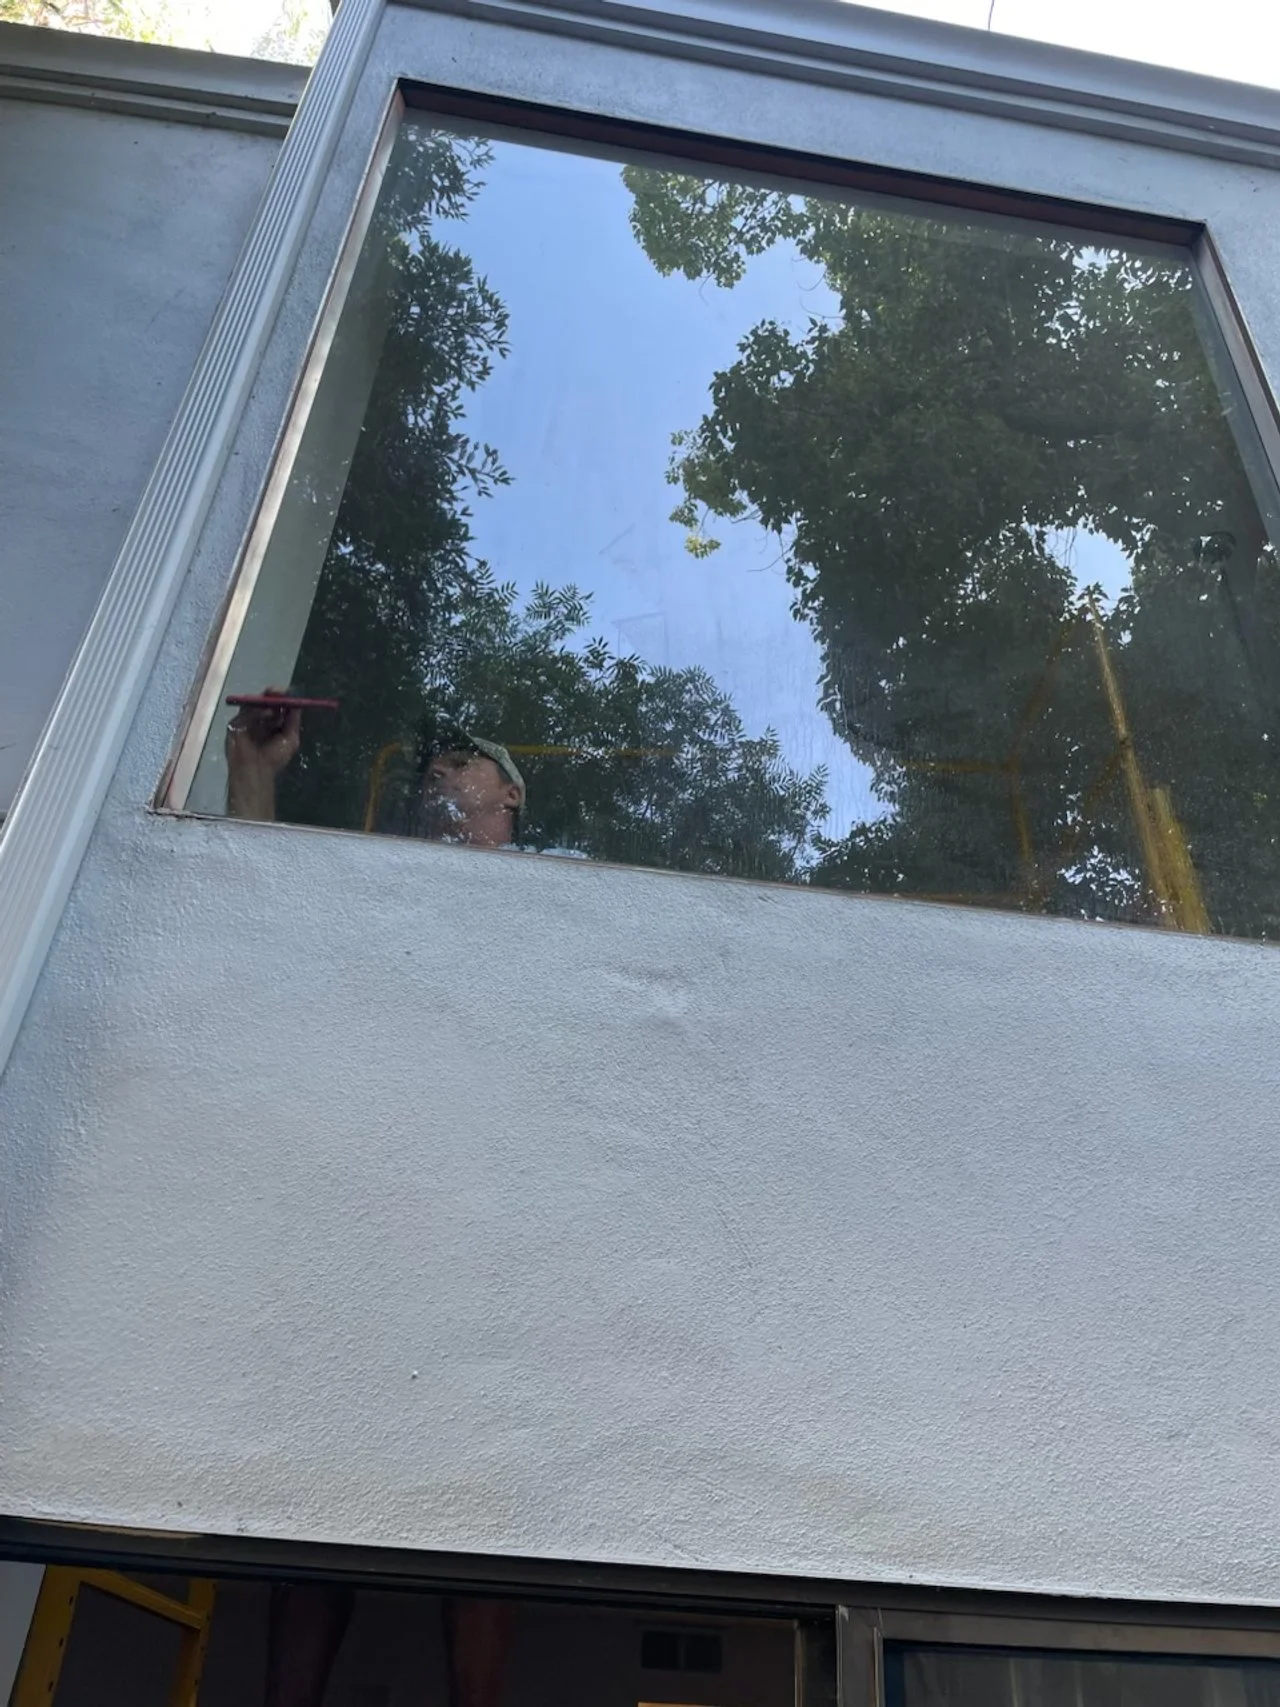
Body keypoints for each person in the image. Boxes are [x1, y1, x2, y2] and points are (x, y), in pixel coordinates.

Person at [225, 691, 526, 845]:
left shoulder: (546, 875)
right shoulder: (392, 871)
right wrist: (254, 770)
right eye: (429, 772)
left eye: (460, 764)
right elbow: (258, 897)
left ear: (511, 794)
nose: (435, 773)